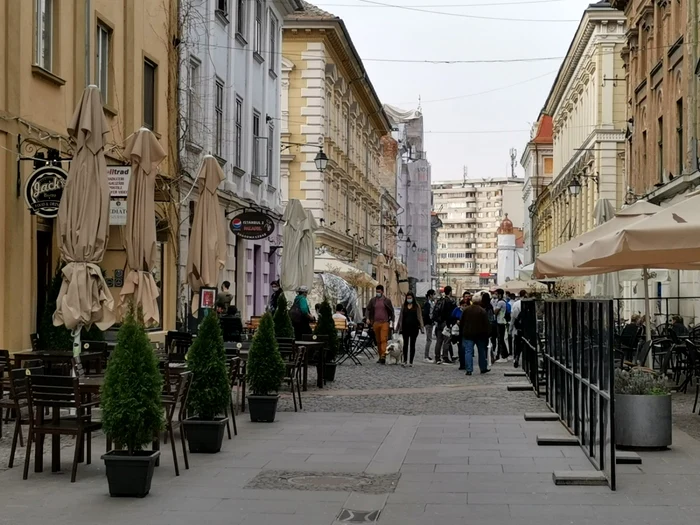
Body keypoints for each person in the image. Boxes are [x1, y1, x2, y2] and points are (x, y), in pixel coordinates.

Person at [460, 292, 491, 375]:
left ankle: (469, 369)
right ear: (480, 301)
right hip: (480, 335)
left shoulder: (466, 310)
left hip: (468, 334)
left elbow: (462, 322)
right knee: (481, 351)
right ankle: (483, 368)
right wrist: (488, 334)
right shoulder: (482, 311)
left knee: (468, 351)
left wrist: (462, 332)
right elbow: (486, 323)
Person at [366, 285, 395, 365]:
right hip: (376, 322)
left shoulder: (387, 301)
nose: (377, 293)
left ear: (382, 291)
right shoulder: (373, 301)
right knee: (378, 341)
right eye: (377, 291)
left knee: (383, 340)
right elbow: (368, 309)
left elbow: (391, 311)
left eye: (379, 291)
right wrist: (367, 318)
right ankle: (380, 356)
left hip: (384, 322)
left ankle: (383, 356)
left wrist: (392, 321)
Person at [396, 292, 424, 367]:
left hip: (414, 328)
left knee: (412, 344)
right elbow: (401, 317)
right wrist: (398, 327)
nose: (409, 299)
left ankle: (411, 361)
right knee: (405, 344)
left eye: (410, 298)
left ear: (413, 298)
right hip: (405, 328)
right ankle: (405, 360)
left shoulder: (416, 306)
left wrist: (422, 327)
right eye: (408, 298)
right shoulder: (404, 306)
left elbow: (420, 317)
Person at [434, 286, 457, 364]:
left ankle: (437, 357)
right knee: (447, 340)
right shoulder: (449, 301)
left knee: (439, 341)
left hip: (439, 322)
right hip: (446, 323)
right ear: (450, 292)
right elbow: (451, 313)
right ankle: (445, 357)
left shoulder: (440, 300)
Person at [510, 290, 528, 368]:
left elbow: (513, 317)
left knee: (517, 344)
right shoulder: (528, 304)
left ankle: (516, 357)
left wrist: (510, 329)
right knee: (527, 344)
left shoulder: (515, 304)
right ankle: (526, 360)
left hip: (518, 328)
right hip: (527, 328)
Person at [491, 288, 509, 363]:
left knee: (500, 339)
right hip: (501, 321)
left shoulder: (500, 302)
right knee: (500, 339)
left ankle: (503, 355)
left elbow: (495, 312)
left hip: (500, 321)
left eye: (496, 293)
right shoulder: (501, 301)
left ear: (499, 294)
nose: (495, 295)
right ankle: (504, 354)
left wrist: (494, 305)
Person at [422, 290, 436, 363]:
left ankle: (426, 355)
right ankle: (426, 356)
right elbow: (426, 314)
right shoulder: (427, 303)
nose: (434, 296)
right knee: (429, 340)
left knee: (429, 339)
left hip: (429, 323)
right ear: (430, 295)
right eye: (434, 294)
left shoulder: (430, 303)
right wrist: (430, 322)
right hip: (428, 323)